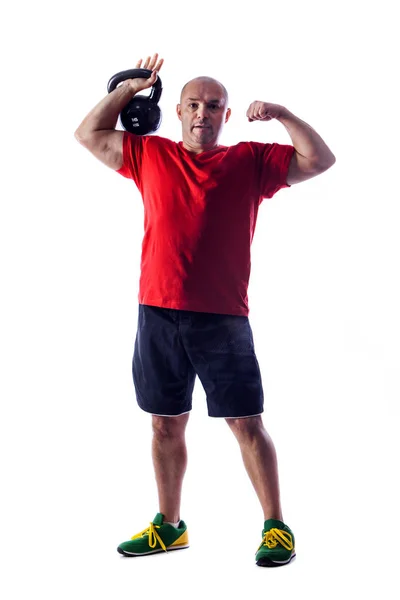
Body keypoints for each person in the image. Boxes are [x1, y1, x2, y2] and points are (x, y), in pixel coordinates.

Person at [74, 53, 336, 567]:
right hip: (157, 313)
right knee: (164, 425)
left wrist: (282, 113)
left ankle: (276, 527)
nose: (202, 114)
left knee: (246, 422)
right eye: (193, 104)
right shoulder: (149, 155)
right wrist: (131, 87)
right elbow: (89, 132)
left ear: (226, 115)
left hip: (222, 319)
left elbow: (319, 159)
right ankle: (170, 528)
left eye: (213, 106)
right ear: (176, 111)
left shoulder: (251, 162)